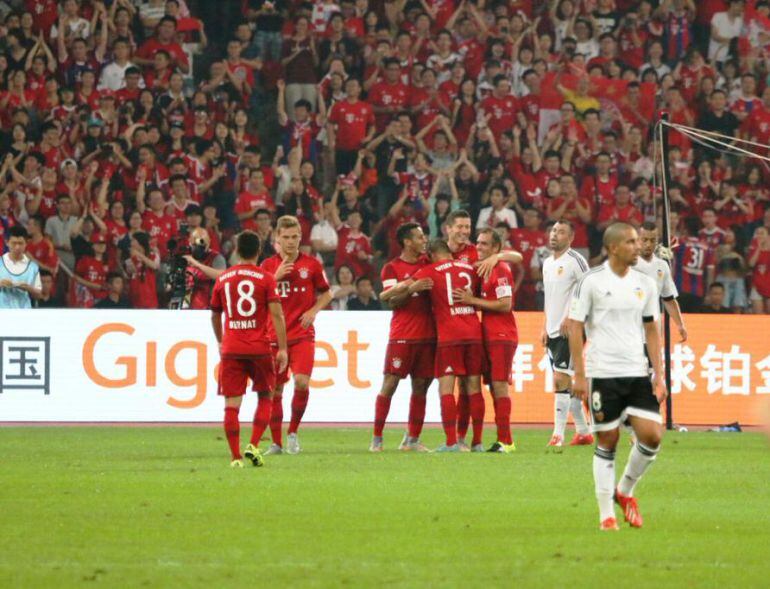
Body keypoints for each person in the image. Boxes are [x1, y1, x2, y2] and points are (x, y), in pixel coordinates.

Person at [569, 222, 667, 531]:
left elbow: (652, 328)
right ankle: (605, 515)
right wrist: (580, 375)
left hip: (637, 372)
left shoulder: (645, 284)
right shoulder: (591, 282)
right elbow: (575, 326)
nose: (638, 246)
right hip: (603, 373)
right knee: (607, 440)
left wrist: (659, 372)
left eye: (638, 241)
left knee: (652, 436)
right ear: (613, 248)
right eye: (631, 242)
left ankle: (624, 490)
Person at [211, 231, 289, 468]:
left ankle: (235, 458)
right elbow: (277, 314)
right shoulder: (266, 278)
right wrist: (283, 348)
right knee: (266, 395)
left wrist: (221, 340)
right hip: (259, 348)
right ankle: (253, 445)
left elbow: (215, 314)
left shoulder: (223, 278)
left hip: (232, 347)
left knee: (231, 405)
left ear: (236, 250)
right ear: (259, 251)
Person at [260, 216, 332, 455]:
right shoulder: (268, 266)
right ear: (277, 238)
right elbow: (257, 297)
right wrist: (276, 277)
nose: (290, 242)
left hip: (302, 335)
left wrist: (313, 310)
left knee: (301, 382)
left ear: (300, 237)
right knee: (275, 391)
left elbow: (327, 294)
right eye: (286, 237)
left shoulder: (311, 265)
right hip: (274, 337)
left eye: (294, 237)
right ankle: (276, 443)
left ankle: (292, 433)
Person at [409, 239, 484, 452]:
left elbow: (407, 287)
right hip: (473, 331)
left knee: (446, 388)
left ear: (432, 254)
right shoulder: (469, 268)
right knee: (473, 387)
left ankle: (451, 442)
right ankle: (476, 442)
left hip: (450, 336)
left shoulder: (430, 270)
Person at [370, 223, 434, 452]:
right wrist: (412, 287)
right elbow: (392, 302)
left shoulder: (430, 263)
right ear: (407, 241)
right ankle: (377, 438)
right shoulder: (391, 268)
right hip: (403, 335)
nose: (424, 240)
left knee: (421, 387)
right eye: (419, 237)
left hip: (429, 335)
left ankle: (412, 440)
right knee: (390, 383)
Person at [452, 228, 517, 453]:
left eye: (485, 244)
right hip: (488, 335)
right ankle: (502, 440)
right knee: (491, 386)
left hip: (502, 335)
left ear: (496, 248)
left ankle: (506, 442)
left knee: (499, 386)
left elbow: (505, 304)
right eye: (478, 243)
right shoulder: (483, 269)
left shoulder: (500, 269)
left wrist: (473, 300)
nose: (479, 247)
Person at [542, 220, 593, 451]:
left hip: (570, 330)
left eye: (561, 232)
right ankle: (584, 432)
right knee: (566, 384)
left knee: (560, 380)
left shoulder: (576, 261)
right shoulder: (547, 263)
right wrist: (545, 326)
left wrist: (571, 316)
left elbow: (589, 289)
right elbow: (549, 298)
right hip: (552, 330)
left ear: (571, 238)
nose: (555, 235)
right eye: (553, 230)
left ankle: (557, 435)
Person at [636, 222, 688, 341]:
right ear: (637, 240)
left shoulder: (662, 265)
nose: (648, 244)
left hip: (653, 329)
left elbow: (669, 299)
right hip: (629, 331)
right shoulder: (627, 263)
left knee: (654, 359)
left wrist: (680, 325)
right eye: (644, 240)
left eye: (652, 240)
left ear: (657, 241)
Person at [0, 226, 42, 308]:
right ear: (6, 242)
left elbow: (38, 294)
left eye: (20, 243)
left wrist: (29, 288)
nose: (17, 247)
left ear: (26, 243)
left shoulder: (33, 267)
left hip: (24, 315)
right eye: (14, 243)